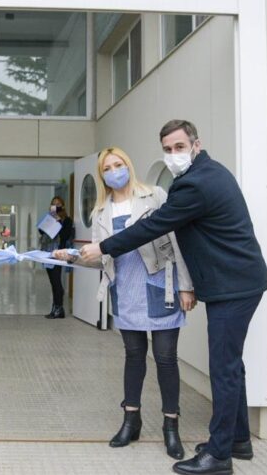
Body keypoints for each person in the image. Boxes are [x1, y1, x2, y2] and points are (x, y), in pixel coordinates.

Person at [80, 120, 267, 475]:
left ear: (196, 145)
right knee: (232, 365)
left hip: (233, 285)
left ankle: (219, 455)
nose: (173, 154)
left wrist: (103, 246)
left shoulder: (195, 184)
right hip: (236, 282)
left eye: (180, 147)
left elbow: (155, 227)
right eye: (167, 148)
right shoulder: (206, 174)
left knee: (223, 368)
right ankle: (238, 440)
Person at [53, 147, 195, 460]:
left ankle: (171, 427)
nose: (114, 171)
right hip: (126, 290)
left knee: (166, 357)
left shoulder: (155, 196)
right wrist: (72, 256)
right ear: (102, 175)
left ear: (128, 166)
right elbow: (100, 257)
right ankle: (132, 420)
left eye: (118, 165)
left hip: (162, 286)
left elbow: (176, 240)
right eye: (107, 168)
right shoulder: (100, 211)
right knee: (133, 355)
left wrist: (187, 285)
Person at [39, 196, 74, 319]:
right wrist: (50, 218)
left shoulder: (67, 220)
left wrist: (58, 221)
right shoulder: (50, 217)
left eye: (58, 203)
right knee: (53, 282)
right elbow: (41, 231)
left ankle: (58, 308)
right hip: (47, 252)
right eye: (53, 204)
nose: (56, 206)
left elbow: (65, 235)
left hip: (58, 253)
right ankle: (57, 309)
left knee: (56, 282)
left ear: (62, 205)